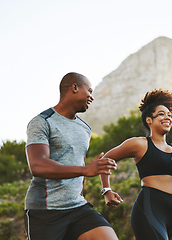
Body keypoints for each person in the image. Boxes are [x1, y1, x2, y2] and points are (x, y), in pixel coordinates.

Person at [100, 89, 172, 240]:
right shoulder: (139, 144)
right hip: (149, 209)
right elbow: (105, 160)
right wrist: (107, 190)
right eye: (161, 114)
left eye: (169, 115)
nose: (167, 118)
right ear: (149, 120)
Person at [24, 72, 119, 240]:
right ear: (74, 87)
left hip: (78, 207)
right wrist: (85, 170)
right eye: (89, 91)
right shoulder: (42, 122)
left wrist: (103, 186)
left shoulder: (85, 129)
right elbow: (38, 165)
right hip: (45, 211)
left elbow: (78, 164)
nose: (92, 97)